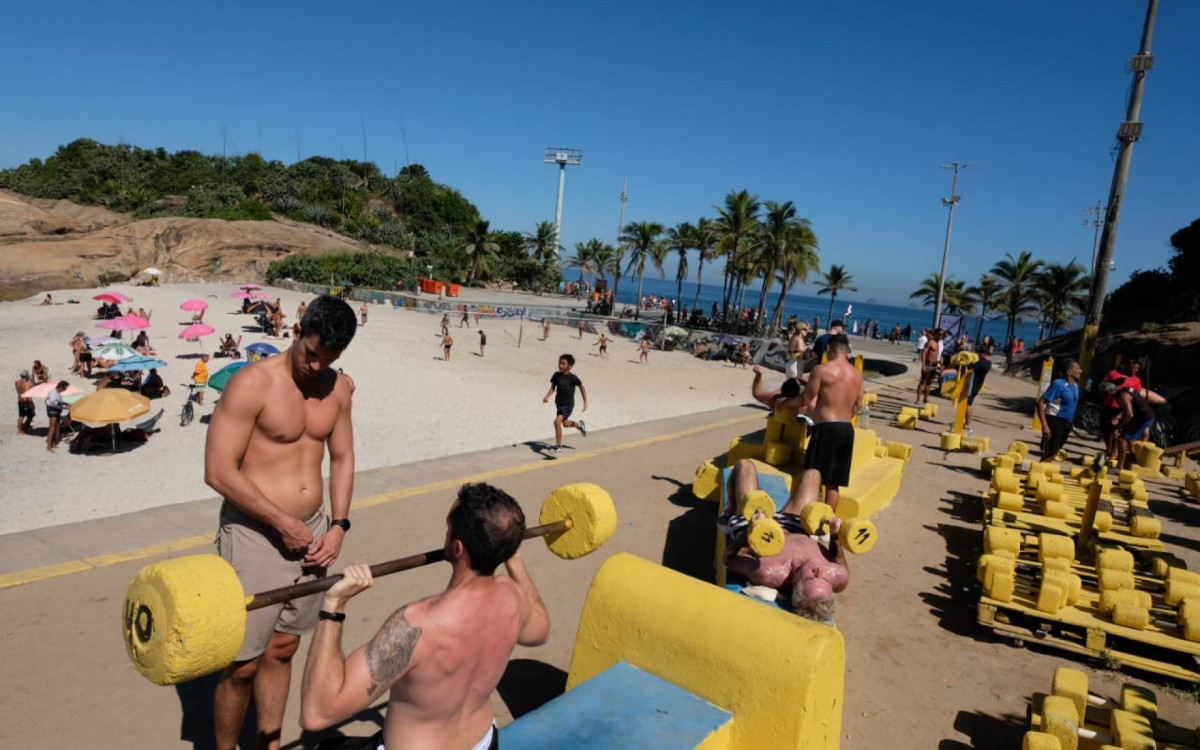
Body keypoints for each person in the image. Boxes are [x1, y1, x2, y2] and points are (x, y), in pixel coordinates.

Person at [204, 294, 358, 750]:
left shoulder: (340, 388)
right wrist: (281, 522)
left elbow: (344, 458)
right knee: (243, 663)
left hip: (314, 531)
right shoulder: (252, 383)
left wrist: (339, 526)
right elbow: (218, 470)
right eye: (311, 354)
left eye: (328, 359)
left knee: (284, 648)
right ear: (296, 331)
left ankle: (268, 744)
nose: (315, 366)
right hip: (254, 533)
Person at [301, 483, 549, 750]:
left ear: (456, 548)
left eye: (448, 527)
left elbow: (317, 713)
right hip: (482, 742)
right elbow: (540, 631)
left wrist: (334, 604)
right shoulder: (512, 596)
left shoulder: (417, 625)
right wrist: (514, 558)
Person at [720, 460, 848, 622]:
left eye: (811, 577)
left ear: (794, 582)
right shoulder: (838, 576)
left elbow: (729, 558)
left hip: (758, 527)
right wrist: (835, 536)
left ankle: (730, 510)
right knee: (813, 474)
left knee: (745, 466)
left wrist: (752, 529)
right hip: (796, 527)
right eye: (824, 579)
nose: (819, 571)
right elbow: (839, 560)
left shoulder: (768, 572)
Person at [777, 334, 862, 511]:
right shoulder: (857, 375)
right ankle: (826, 526)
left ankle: (810, 520)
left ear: (829, 349)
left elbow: (806, 398)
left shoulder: (822, 370)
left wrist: (785, 403)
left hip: (827, 429)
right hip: (847, 429)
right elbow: (858, 405)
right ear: (846, 351)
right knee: (834, 483)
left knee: (813, 477)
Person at [1102, 381, 1156, 470]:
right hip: (1144, 415)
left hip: (1143, 417)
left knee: (1122, 439)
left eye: (1106, 395)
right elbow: (1129, 409)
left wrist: (1120, 426)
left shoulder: (1122, 395)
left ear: (1110, 392)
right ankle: (1132, 461)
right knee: (1129, 437)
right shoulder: (1124, 390)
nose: (1107, 398)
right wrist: (1118, 417)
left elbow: (1129, 414)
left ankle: (1119, 468)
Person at [1036, 357, 1082, 462]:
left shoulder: (1075, 385)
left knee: (1054, 452)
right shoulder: (1058, 384)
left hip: (1067, 422)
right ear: (1069, 372)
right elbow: (1040, 402)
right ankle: (1038, 473)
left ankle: (1042, 470)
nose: (1080, 371)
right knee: (1049, 452)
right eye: (1078, 369)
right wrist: (1044, 425)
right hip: (1055, 421)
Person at [542, 353, 587, 457]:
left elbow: (582, 388)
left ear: (569, 366)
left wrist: (585, 402)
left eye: (563, 363)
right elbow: (553, 387)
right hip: (559, 403)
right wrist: (547, 396)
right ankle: (579, 425)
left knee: (557, 422)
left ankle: (558, 447)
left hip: (568, 404)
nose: (560, 365)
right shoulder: (556, 375)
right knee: (565, 424)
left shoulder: (573, 378)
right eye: (559, 363)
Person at [963, 346, 993, 435]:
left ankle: (968, 423)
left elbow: (971, 367)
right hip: (976, 384)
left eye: (980, 354)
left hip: (974, 384)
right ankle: (967, 422)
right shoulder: (987, 362)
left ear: (983, 354)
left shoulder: (983, 363)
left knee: (968, 403)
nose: (978, 356)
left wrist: (969, 361)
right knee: (968, 403)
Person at [916, 329, 942, 405]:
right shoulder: (930, 343)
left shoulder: (938, 344)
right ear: (936, 334)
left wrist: (940, 365)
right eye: (940, 334)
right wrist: (923, 364)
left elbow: (938, 355)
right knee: (923, 381)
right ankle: (918, 399)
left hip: (934, 365)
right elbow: (923, 354)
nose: (941, 336)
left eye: (942, 334)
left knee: (929, 383)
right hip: (928, 364)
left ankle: (925, 399)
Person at [45, 380, 68, 452]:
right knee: (52, 428)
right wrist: (63, 408)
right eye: (64, 389)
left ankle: (54, 443)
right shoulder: (53, 392)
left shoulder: (57, 393)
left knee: (57, 428)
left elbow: (58, 402)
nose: (64, 390)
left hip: (57, 411)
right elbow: (52, 403)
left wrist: (66, 404)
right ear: (60, 387)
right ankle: (49, 446)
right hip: (52, 412)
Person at [16, 370, 34, 434]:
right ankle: (23, 428)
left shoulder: (17, 382)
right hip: (25, 401)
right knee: (31, 415)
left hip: (20, 400)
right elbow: (28, 394)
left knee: (21, 416)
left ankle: (20, 428)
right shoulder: (27, 383)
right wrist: (31, 404)